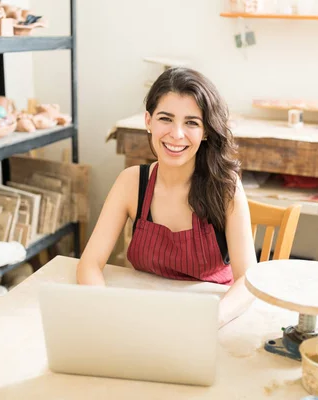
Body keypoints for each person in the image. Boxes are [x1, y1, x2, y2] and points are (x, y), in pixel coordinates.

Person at [76, 67, 257, 328]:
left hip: (212, 320)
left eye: (191, 122)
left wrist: (210, 319)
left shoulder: (226, 188)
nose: (177, 134)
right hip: (145, 316)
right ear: (148, 121)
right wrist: (107, 310)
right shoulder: (131, 183)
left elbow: (247, 281)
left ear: (206, 131)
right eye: (166, 119)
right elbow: (89, 264)